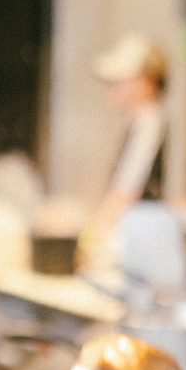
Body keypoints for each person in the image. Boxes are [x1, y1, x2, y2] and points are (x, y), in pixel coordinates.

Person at [77, 32, 169, 271]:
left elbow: (125, 194)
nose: (111, 87)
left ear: (148, 83)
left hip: (141, 252)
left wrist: (89, 241)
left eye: (120, 81)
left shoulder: (150, 124)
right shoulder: (139, 124)